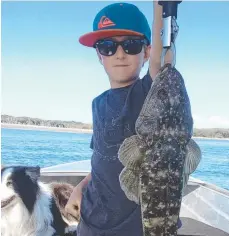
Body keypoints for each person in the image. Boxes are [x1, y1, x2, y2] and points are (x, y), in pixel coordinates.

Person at [65, 2, 178, 235]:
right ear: (99, 55)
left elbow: (160, 60)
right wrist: (81, 186)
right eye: (107, 46)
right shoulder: (98, 103)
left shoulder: (148, 94)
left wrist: (161, 7)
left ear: (146, 52)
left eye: (131, 45)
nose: (119, 54)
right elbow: (103, 158)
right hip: (90, 222)